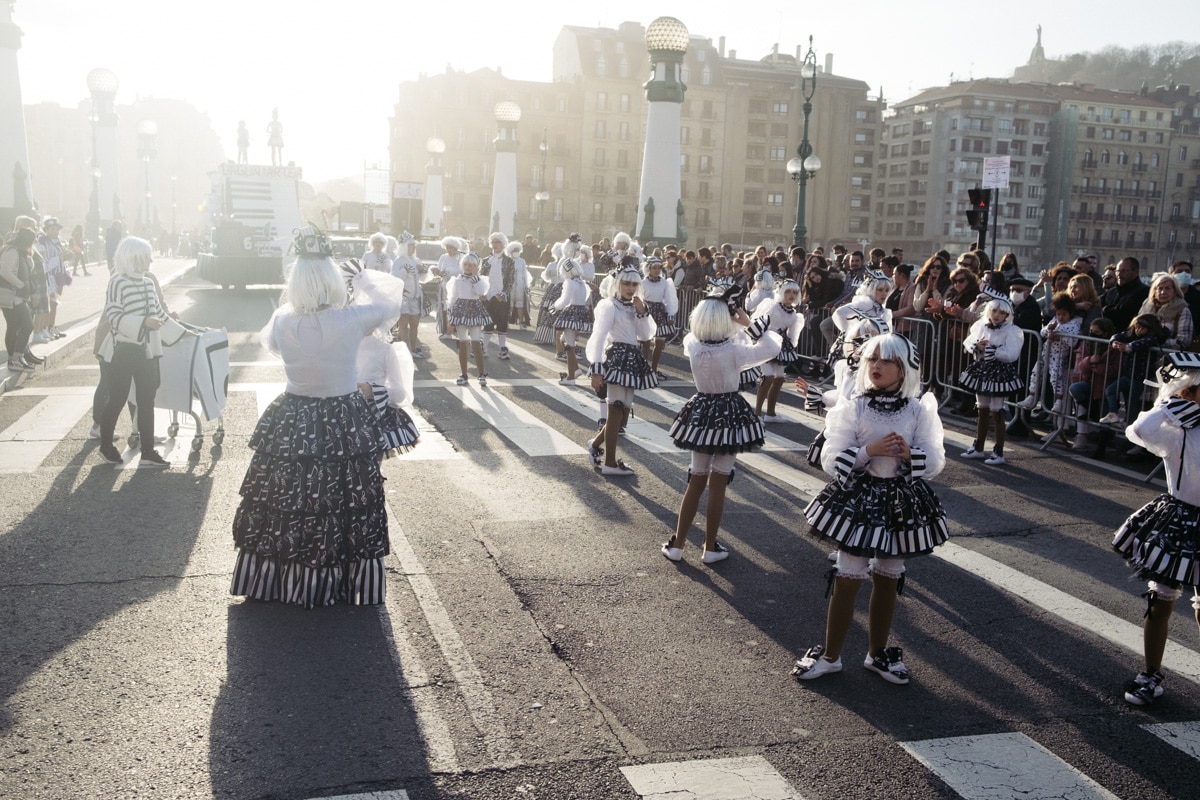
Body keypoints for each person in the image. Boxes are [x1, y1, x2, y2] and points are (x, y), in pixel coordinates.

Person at [230, 227, 400, 607]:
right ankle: (339, 581)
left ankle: (277, 580)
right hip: (342, 414)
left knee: (287, 498)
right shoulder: (353, 317)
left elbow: (272, 345)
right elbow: (391, 304)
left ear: (296, 281)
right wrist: (362, 279)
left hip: (294, 414)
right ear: (331, 279)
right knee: (344, 499)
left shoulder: (281, 320)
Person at [792, 334, 948, 685]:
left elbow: (935, 458)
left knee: (889, 577)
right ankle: (830, 657)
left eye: (887, 360)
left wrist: (910, 455)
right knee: (848, 576)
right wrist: (869, 451)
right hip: (859, 498)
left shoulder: (918, 409)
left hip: (900, 501)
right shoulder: (854, 406)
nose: (877, 366)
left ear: (903, 368)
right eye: (872, 359)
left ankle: (877, 654)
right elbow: (832, 457)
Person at [662, 290, 782, 564]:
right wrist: (747, 323)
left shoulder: (692, 344)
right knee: (719, 482)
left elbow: (699, 338)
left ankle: (678, 545)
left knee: (696, 480)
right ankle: (709, 546)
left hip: (701, 411)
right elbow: (771, 348)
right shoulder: (735, 350)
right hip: (729, 412)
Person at [1110, 351, 1200, 705]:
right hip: (1181, 518)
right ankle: (1150, 674)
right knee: (1161, 598)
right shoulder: (1178, 429)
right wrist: (1168, 399)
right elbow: (1139, 430)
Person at [95, 236, 187, 467]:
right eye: (146, 257)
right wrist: (144, 322)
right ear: (133, 257)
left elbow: (159, 314)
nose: (150, 260)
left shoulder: (147, 282)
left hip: (147, 350)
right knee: (117, 399)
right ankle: (106, 446)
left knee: (147, 400)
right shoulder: (117, 282)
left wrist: (184, 332)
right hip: (122, 351)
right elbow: (114, 316)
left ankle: (148, 451)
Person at [585, 263, 657, 477]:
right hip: (616, 357)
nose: (630, 288)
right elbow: (598, 337)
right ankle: (610, 463)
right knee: (615, 410)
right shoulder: (609, 306)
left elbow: (645, 336)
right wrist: (596, 369)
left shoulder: (636, 306)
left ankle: (595, 444)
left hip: (632, 358)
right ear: (617, 284)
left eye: (634, 284)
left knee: (622, 416)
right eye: (626, 283)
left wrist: (642, 313)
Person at [959, 295, 1024, 465]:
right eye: (994, 311)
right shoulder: (981, 325)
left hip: (999, 372)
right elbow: (969, 342)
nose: (997, 315)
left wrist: (994, 351)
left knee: (997, 410)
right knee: (982, 408)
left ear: (1007, 315)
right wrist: (978, 346)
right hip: (982, 370)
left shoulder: (1012, 330)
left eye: (1001, 312)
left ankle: (998, 451)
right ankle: (979, 447)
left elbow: (1012, 354)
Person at [356, 318, 420, 458]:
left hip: (374, 418)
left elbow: (400, 393)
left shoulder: (385, 349)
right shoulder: (340, 347)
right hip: (343, 417)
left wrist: (373, 391)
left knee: (371, 466)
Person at [749, 278, 805, 422]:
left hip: (780, 346)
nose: (791, 295)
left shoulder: (794, 314)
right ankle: (757, 415)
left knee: (779, 379)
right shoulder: (772, 306)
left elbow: (792, 336)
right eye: (788, 291)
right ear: (781, 292)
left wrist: (790, 346)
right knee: (768, 377)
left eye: (794, 292)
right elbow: (758, 324)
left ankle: (770, 414)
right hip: (765, 343)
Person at [1098, 314, 1167, 426]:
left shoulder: (1152, 338)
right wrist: (1114, 342)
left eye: (1142, 328)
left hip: (1139, 377)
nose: (1137, 330)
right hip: (1127, 374)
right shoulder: (1131, 334)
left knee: (1131, 401)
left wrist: (1127, 347)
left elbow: (1143, 343)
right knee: (1110, 390)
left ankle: (1130, 424)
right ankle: (1113, 413)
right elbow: (1118, 335)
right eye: (1136, 327)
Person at [446, 252, 491, 386]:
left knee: (476, 341)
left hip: (475, 310)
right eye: (465, 264)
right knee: (462, 342)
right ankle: (464, 374)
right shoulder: (457, 280)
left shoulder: (480, 280)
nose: (468, 267)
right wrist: (450, 318)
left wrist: (475, 277)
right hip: (460, 311)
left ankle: (481, 373)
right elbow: (452, 299)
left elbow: (481, 292)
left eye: (471, 265)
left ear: (477, 267)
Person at [0, 227, 38, 372]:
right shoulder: (13, 252)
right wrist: (20, 284)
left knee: (14, 326)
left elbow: (27, 270)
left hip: (16, 295)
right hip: (13, 295)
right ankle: (16, 358)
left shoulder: (18, 252)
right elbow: (4, 271)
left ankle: (14, 359)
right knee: (27, 325)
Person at [552, 254, 593, 384]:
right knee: (564, 339)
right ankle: (575, 370)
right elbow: (586, 299)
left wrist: (555, 306)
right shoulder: (583, 283)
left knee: (569, 344)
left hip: (571, 313)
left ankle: (571, 377)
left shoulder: (569, 282)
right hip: (581, 312)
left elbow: (565, 300)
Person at [638, 255, 678, 377]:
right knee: (646, 343)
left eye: (659, 268)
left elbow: (669, 299)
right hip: (647, 312)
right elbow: (638, 299)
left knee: (659, 343)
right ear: (648, 269)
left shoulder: (665, 283)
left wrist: (670, 314)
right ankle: (644, 369)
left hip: (660, 313)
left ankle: (654, 370)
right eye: (654, 268)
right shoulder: (642, 283)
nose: (657, 270)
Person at [390, 232, 427, 359]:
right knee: (403, 324)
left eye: (414, 245)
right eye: (411, 245)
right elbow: (394, 278)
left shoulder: (416, 260)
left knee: (414, 324)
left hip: (416, 297)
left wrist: (423, 270)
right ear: (404, 246)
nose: (414, 247)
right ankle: (401, 352)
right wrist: (404, 270)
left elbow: (422, 279)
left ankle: (413, 349)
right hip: (403, 297)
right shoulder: (398, 261)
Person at [480, 232, 515, 359]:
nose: (495, 244)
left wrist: (504, 293)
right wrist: (481, 293)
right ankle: (484, 348)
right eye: (493, 242)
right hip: (488, 296)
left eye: (498, 242)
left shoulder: (509, 261)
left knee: (502, 322)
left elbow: (510, 280)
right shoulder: (486, 261)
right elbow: (481, 278)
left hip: (501, 297)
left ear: (503, 244)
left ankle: (502, 349)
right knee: (487, 323)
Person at [1138, 272, 1193, 350]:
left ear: (1175, 291)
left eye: (1168, 288)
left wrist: (1154, 342)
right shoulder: (1146, 306)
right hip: (1141, 354)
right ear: (1154, 291)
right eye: (1160, 288)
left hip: (1167, 356)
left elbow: (1184, 341)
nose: (1163, 292)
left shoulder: (1182, 310)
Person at [1102, 256, 1150, 333]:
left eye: (1123, 271)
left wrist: (1104, 310)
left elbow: (1124, 313)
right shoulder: (1112, 291)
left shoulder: (1144, 291)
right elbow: (1097, 303)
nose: (1119, 274)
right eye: (1117, 271)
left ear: (1136, 272)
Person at [433, 236, 465, 337]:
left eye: (451, 247)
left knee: (456, 308)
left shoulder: (461, 257)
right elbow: (438, 268)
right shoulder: (443, 257)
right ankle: (446, 331)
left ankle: (458, 331)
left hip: (457, 287)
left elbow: (461, 271)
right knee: (444, 308)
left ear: (456, 247)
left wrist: (449, 271)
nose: (449, 250)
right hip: (444, 286)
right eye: (447, 247)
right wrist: (437, 271)